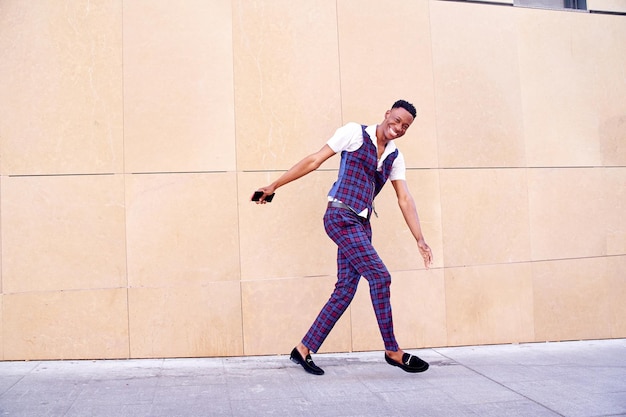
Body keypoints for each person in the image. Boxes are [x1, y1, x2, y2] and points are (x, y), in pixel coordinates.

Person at [253, 100, 433, 375]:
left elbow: (404, 198)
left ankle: (303, 349)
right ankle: (393, 351)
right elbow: (314, 160)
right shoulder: (353, 132)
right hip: (339, 216)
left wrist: (419, 238)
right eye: (396, 121)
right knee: (380, 277)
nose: (398, 128)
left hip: (361, 224)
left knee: (345, 289)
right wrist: (274, 184)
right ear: (387, 115)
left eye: (405, 126)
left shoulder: (395, 156)